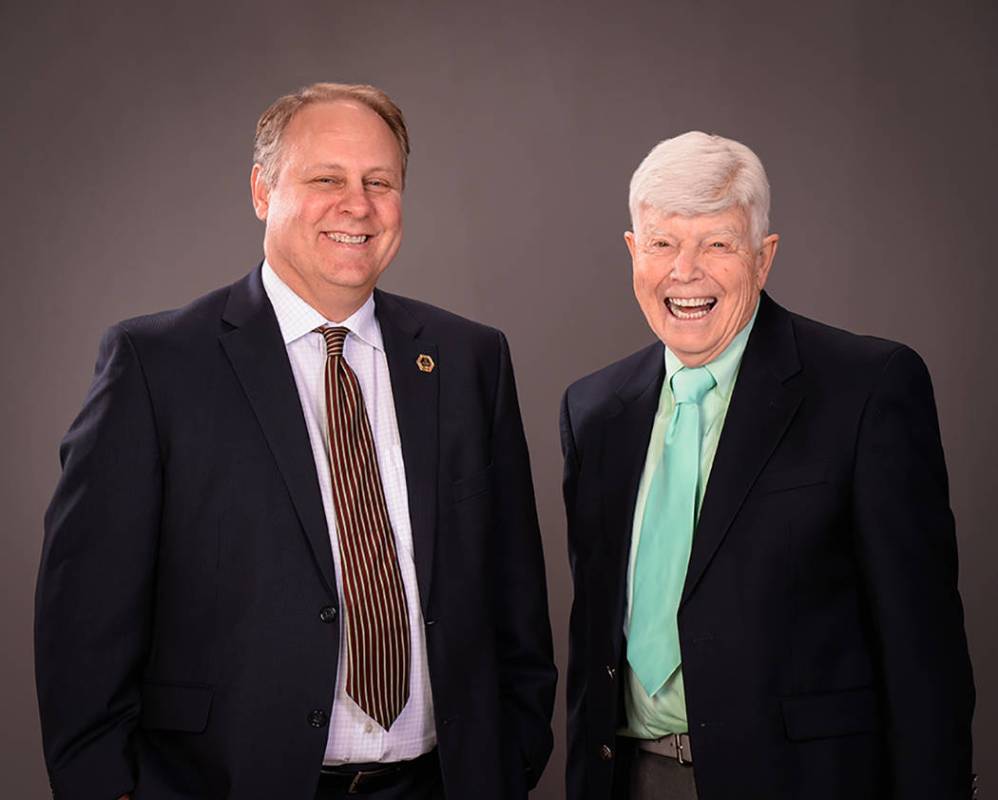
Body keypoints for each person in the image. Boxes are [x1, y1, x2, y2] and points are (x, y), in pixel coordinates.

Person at [36, 82, 556, 800]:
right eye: (327, 179)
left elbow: (516, 595)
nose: (358, 204)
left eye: (381, 181)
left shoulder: (469, 360)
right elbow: (83, 624)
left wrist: (512, 754)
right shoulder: (157, 365)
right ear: (262, 189)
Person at [560, 131, 974, 799]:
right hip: (631, 779)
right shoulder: (594, 410)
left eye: (717, 243)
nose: (684, 270)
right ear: (634, 253)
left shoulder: (865, 388)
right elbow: (596, 638)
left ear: (762, 256)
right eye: (663, 243)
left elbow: (923, 650)